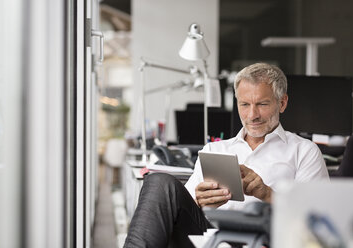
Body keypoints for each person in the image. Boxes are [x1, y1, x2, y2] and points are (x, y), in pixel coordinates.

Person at [124, 63, 329, 248]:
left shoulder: (304, 151)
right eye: (244, 104)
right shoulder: (215, 150)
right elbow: (181, 208)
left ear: (282, 103)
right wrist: (201, 201)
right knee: (159, 182)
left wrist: (267, 194)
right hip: (209, 237)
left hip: (265, 239)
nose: (252, 115)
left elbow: (318, 221)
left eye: (262, 104)